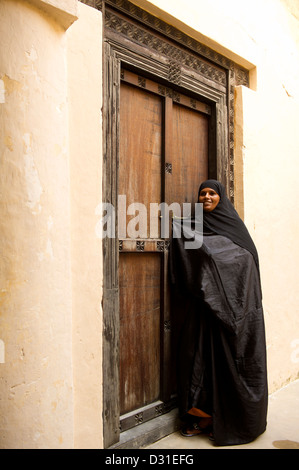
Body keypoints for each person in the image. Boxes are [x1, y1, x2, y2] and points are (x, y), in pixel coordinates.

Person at [169, 179, 268, 446]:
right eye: (203, 194)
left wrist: (229, 296)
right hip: (205, 313)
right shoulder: (193, 227)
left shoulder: (236, 229)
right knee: (198, 363)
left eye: (212, 193)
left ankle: (230, 420)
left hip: (235, 315)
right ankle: (204, 416)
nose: (207, 197)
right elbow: (190, 262)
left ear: (221, 197)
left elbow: (246, 264)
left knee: (229, 365)